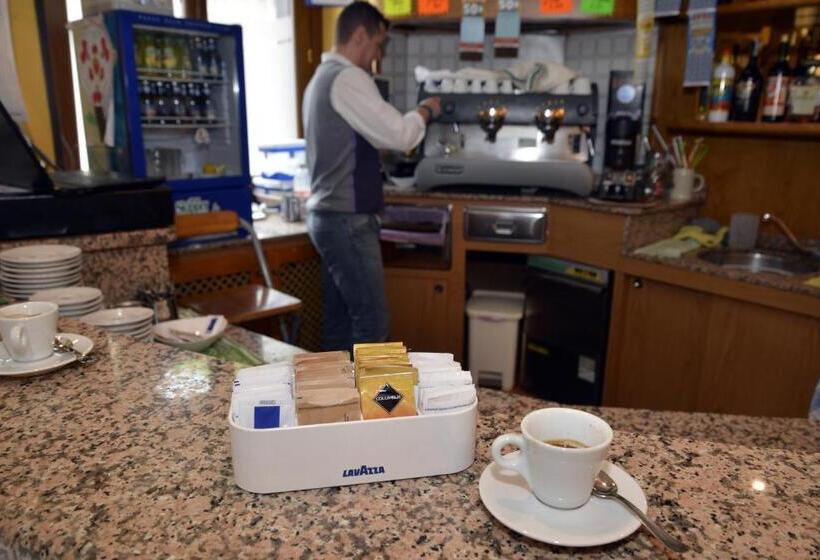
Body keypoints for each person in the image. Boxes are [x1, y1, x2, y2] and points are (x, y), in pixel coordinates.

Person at [302, 1, 441, 351]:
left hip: (327, 217)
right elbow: (400, 135)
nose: (377, 55)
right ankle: (370, 405)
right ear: (360, 34)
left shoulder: (320, 78)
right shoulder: (348, 77)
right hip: (347, 221)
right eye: (378, 44)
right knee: (372, 320)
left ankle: (338, 403)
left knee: (340, 321)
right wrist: (426, 110)